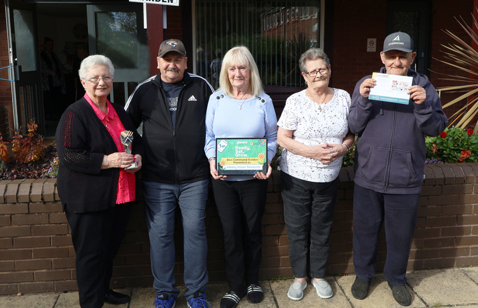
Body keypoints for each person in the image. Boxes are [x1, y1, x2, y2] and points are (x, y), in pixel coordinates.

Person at [348, 32, 447, 306]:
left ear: (412, 58)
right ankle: (363, 275)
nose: (396, 61)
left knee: (401, 235)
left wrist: (424, 105)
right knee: (365, 231)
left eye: (402, 56)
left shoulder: (425, 87)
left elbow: (437, 128)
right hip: (369, 174)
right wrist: (364, 99)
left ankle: (396, 279)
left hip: (406, 178)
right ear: (382, 57)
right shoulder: (366, 84)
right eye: (391, 55)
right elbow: (354, 126)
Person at [125, 39, 213, 308]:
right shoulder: (144, 90)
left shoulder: (201, 86)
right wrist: (136, 152)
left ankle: (196, 293)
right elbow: (125, 129)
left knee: (195, 231)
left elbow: (219, 123)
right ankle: (164, 292)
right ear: (158, 62)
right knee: (160, 234)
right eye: (167, 59)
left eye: (178, 59)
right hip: (156, 178)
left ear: (186, 62)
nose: (172, 64)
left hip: (196, 177)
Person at [55, 55, 143, 308]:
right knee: (91, 256)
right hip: (88, 199)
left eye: (106, 77)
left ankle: (103, 291)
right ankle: (91, 303)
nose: (101, 82)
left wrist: (138, 156)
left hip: (119, 196)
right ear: (83, 82)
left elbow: (137, 140)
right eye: (94, 78)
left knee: (108, 250)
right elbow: (69, 155)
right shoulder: (75, 114)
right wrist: (108, 161)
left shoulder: (118, 111)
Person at [277, 48, 355, 301]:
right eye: (313, 71)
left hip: (329, 179)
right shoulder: (295, 101)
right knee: (298, 229)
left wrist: (343, 148)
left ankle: (319, 276)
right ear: (304, 75)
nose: (318, 74)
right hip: (296, 178)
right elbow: (282, 138)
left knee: (322, 229)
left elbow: (351, 133)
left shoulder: (344, 97)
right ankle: (300, 278)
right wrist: (311, 152)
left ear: (329, 70)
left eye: (322, 69)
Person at [204, 46, 278, 308]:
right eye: (232, 68)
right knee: (231, 233)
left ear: (250, 71)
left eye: (242, 67)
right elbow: (209, 138)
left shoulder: (263, 101)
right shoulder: (216, 100)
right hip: (223, 181)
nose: (237, 73)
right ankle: (235, 287)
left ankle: (252, 281)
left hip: (254, 179)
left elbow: (271, 138)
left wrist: (267, 160)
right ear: (226, 71)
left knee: (252, 231)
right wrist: (213, 160)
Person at [41, 37, 66, 118]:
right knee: (49, 98)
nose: (51, 47)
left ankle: (56, 114)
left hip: (56, 80)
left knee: (57, 97)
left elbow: (58, 65)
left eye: (52, 45)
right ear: (45, 45)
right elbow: (41, 68)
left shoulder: (54, 55)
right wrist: (50, 72)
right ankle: (50, 115)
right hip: (48, 81)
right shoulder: (42, 55)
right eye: (49, 45)